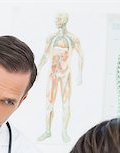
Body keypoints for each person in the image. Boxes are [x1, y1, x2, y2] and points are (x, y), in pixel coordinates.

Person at [37, 12, 84, 143]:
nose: (58, 20)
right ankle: (47, 130)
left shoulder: (73, 38)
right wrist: (38, 69)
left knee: (65, 103)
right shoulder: (51, 38)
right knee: (49, 103)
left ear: (65, 20)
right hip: (53, 74)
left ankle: (64, 131)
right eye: (57, 18)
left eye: (60, 18)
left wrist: (80, 74)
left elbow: (81, 55)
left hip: (65, 74)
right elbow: (45, 55)